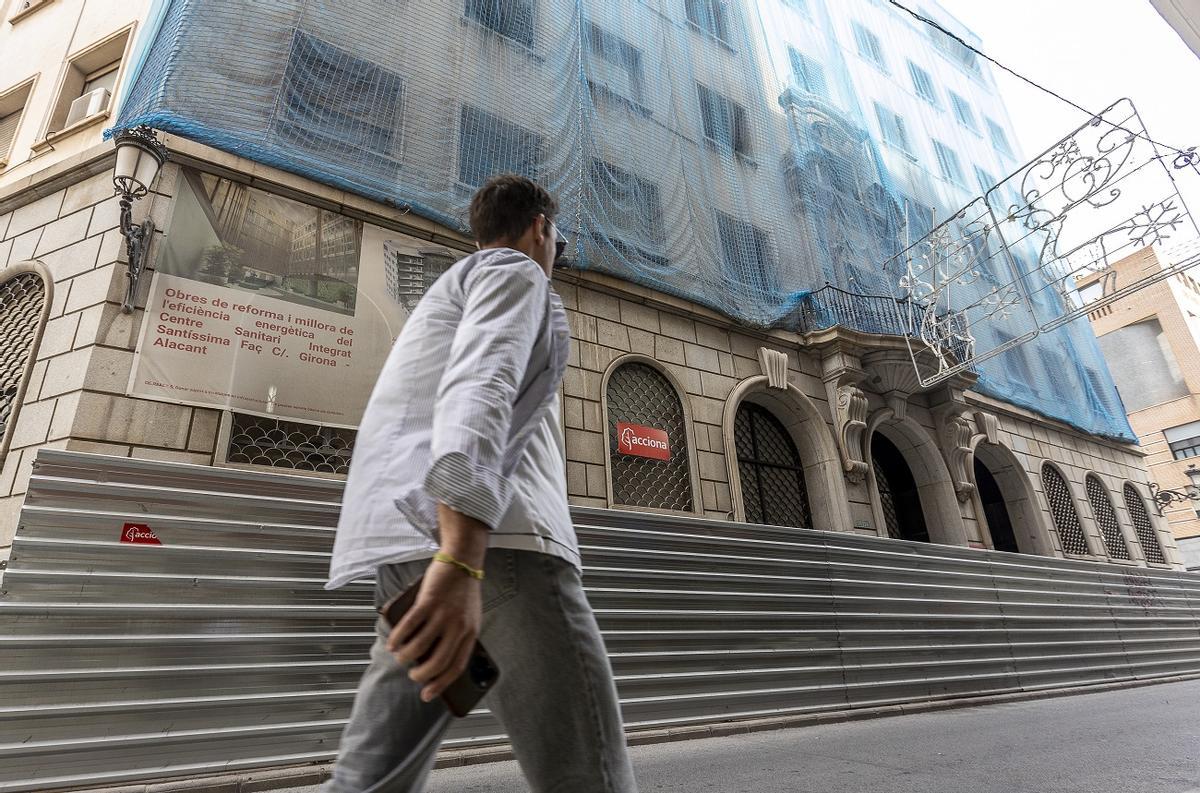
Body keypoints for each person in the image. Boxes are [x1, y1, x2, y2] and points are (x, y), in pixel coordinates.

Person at [322, 174, 638, 793]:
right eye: (556, 237)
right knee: (587, 777)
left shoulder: (449, 291)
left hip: (407, 555)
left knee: (369, 781)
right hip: (494, 552)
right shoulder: (514, 272)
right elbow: (481, 388)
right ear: (542, 228)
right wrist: (462, 558)